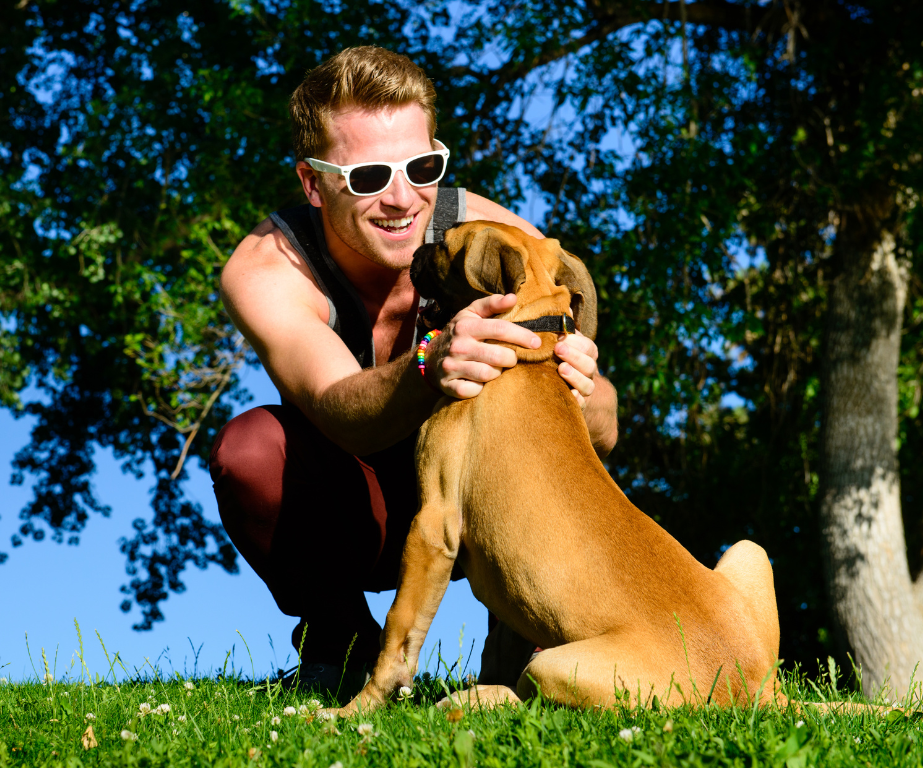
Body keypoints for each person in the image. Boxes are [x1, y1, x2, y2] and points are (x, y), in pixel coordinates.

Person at [210, 46, 618, 690]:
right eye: (369, 176)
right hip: (358, 509)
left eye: (422, 167)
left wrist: (579, 385)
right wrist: (431, 360)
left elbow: (602, 428)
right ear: (313, 183)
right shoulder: (265, 268)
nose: (403, 199)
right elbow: (342, 410)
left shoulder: (491, 236)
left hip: (475, 500)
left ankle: (526, 653)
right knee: (251, 451)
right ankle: (343, 648)